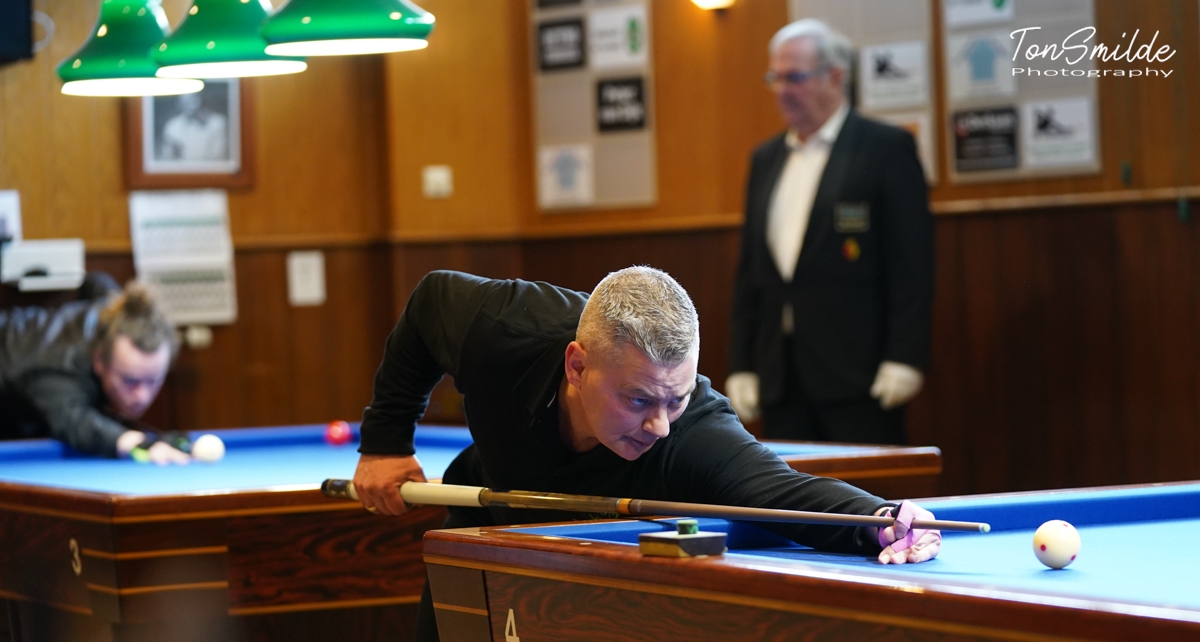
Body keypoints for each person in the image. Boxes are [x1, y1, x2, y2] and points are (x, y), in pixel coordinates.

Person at [352, 267, 941, 642]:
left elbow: (777, 491)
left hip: (602, 566)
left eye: (675, 398)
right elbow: (429, 306)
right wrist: (384, 442)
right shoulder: (504, 328)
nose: (658, 424)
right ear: (577, 366)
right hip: (485, 516)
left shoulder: (692, 430)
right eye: (637, 399)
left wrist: (882, 521)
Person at [726, 19, 935, 444]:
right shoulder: (765, 158)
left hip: (861, 376)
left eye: (794, 77)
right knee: (793, 504)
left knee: (866, 506)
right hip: (782, 378)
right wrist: (742, 363)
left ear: (835, 77)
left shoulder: (884, 148)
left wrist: (904, 358)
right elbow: (751, 271)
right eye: (775, 78)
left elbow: (912, 264)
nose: (782, 90)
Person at [0, 278, 188, 464]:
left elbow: (96, 279)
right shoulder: (58, 370)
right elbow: (73, 420)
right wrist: (130, 442)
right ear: (99, 360)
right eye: (130, 381)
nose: (142, 396)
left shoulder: (115, 312)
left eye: (153, 380)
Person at [159, 92, 229, 162]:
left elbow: (219, 157)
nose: (190, 105)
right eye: (185, 101)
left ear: (200, 100)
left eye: (193, 100)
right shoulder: (172, 126)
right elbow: (167, 159)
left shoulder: (218, 123)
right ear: (179, 104)